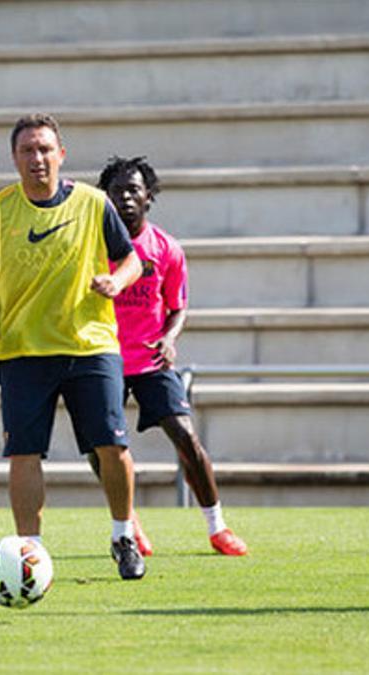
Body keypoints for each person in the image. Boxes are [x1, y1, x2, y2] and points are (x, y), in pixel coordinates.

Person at [0, 113, 146, 579]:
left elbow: (132, 259)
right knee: (24, 453)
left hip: (90, 345)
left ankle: (123, 535)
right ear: (14, 158)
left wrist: (116, 280)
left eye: (45, 149)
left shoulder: (93, 203)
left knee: (112, 444)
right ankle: (30, 552)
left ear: (61, 155)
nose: (37, 158)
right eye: (27, 150)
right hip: (24, 351)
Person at [95, 156, 248, 557]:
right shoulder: (91, 247)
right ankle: (127, 522)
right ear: (105, 199)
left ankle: (218, 527)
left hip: (150, 360)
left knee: (186, 437)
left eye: (134, 190)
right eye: (117, 191)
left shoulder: (166, 248)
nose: (125, 197)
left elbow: (178, 305)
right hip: (103, 359)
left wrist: (169, 336)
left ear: (149, 198)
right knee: (102, 447)